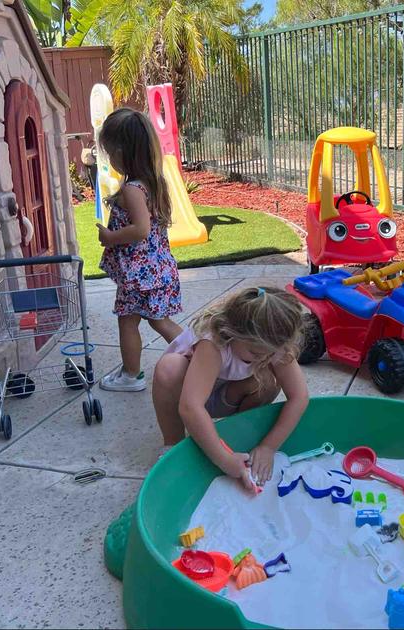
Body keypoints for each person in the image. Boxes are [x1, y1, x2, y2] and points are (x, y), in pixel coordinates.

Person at [152, 286, 309, 492]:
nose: (264, 357)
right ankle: (173, 446)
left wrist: (269, 446)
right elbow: (191, 407)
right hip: (188, 392)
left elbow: (299, 397)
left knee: (268, 380)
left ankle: (237, 433)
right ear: (233, 333)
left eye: (269, 354)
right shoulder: (214, 341)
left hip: (226, 396)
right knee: (169, 368)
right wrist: (224, 460)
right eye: (255, 352)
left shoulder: (273, 343)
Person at [95, 108, 183, 392]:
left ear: (123, 151)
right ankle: (198, 359)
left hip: (139, 274)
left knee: (131, 323)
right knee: (160, 321)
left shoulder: (133, 189)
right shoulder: (151, 181)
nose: (109, 158)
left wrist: (110, 237)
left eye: (109, 152)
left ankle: (131, 375)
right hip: (154, 269)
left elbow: (141, 230)